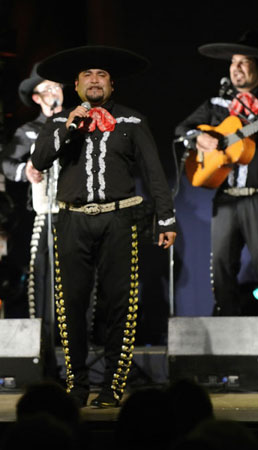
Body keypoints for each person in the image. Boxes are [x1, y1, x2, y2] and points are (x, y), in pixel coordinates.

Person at [31, 45, 177, 408]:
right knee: (71, 305)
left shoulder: (132, 121)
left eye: (101, 76)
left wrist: (166, 216)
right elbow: (40, 159)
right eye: (87, 76)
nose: (94, 81)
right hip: (71, 219)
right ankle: (76, 384)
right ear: (76, 86)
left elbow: (154, 173)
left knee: (120, 304)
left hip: (119, 218)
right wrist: (69, 126)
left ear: (111, 85)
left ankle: (113, 385)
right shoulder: (58, 121)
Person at [175, 30, 258, 316]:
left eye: (244, 62)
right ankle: (227, 321)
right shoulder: (216, 105)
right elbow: (181, 130)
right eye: (233, 63)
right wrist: (198, 138)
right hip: (225, 198)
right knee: (222, 264)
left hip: (257, 198)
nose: (236, 68)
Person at [0, 63, 63, 378]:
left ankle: (85, 360)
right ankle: (46, 362)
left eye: (57, 87)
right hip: (44, 215)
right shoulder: (29, 132)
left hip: (77, 215)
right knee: (43, 289)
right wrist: (26, 171)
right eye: (47, 89)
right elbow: (6, 163)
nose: (54, 93)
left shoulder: (78, 125)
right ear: (37, 98)